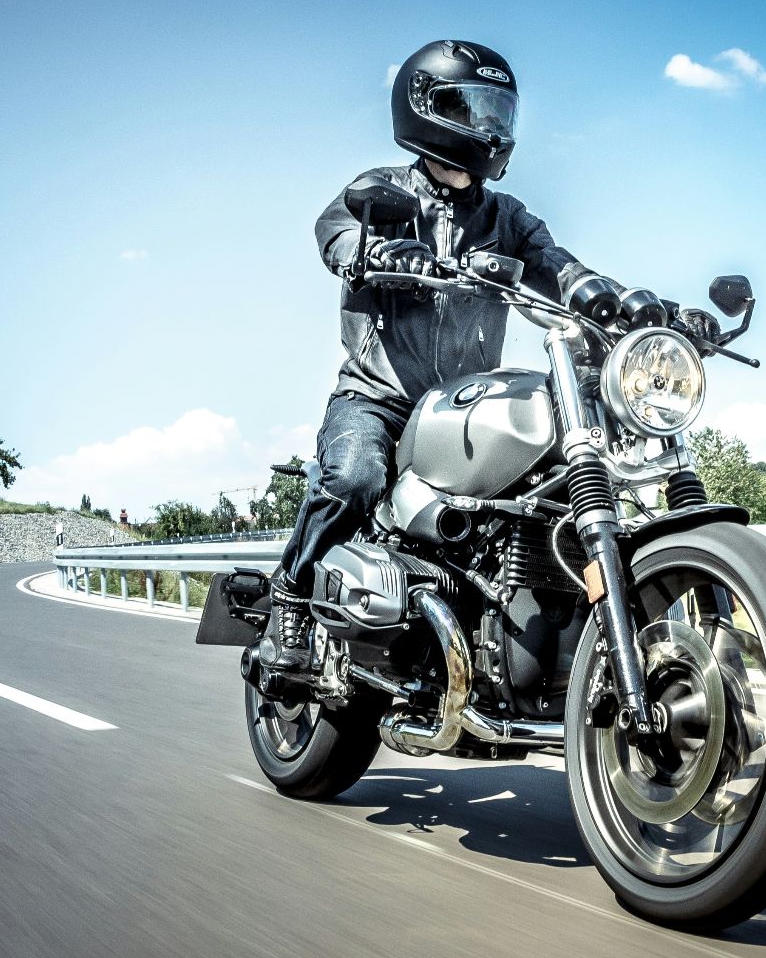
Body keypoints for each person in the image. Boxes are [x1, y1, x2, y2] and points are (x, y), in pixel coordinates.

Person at [262, 39, 700, 672]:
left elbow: (559, 267)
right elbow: (336, 232)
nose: (489, 126)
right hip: (381, 396)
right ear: (424, 108)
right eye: (470, 108)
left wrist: (628, 305)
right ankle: (292, 596)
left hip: (465, 406)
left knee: (552, 480)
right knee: (353, 477)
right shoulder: (381, 190)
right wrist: (375, 252)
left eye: (498, 112)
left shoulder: (507, 217)